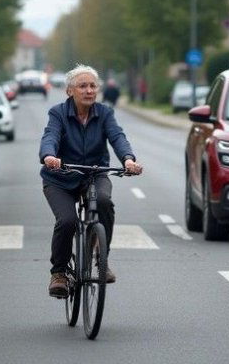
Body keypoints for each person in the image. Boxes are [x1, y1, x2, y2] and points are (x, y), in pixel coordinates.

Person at [39, 64, 143, 298]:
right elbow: (51, 136)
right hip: (60, 177)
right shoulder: (58, 113)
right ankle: (59, 273)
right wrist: (49, 156)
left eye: (92, 86)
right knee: (67, 221)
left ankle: (101, 259)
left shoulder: (105, 113)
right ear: (69, 91)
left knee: (104, 201)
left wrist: (128, 159)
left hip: (94, 174)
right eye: (82, 86)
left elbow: (117, 137)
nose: (88, 90)